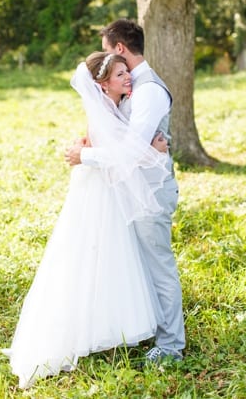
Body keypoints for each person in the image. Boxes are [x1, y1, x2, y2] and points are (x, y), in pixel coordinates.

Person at [3, 52, 171, 388]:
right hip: (98, 194)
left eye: (128, 72)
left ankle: (107, 325)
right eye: (121, 74)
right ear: (103, 83)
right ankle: (84, 330)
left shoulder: (115, 108)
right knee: (90, 254)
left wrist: (154, 148)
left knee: (110, 257)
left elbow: (125, 150)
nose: (129, 78)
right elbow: (121, 155)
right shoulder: (104, 114)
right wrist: (150, 152)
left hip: (110, 190)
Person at [65, 19, 185, 364]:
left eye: (107, 51)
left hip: (150, 192)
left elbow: (134, 150)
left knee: (159, 266)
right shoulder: (127, 89)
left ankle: (171, 346)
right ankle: (142, 328)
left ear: (119, 48)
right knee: (136, 264)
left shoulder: (148, 90)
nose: (103, 61)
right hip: (127, 190)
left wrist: (84, 156)